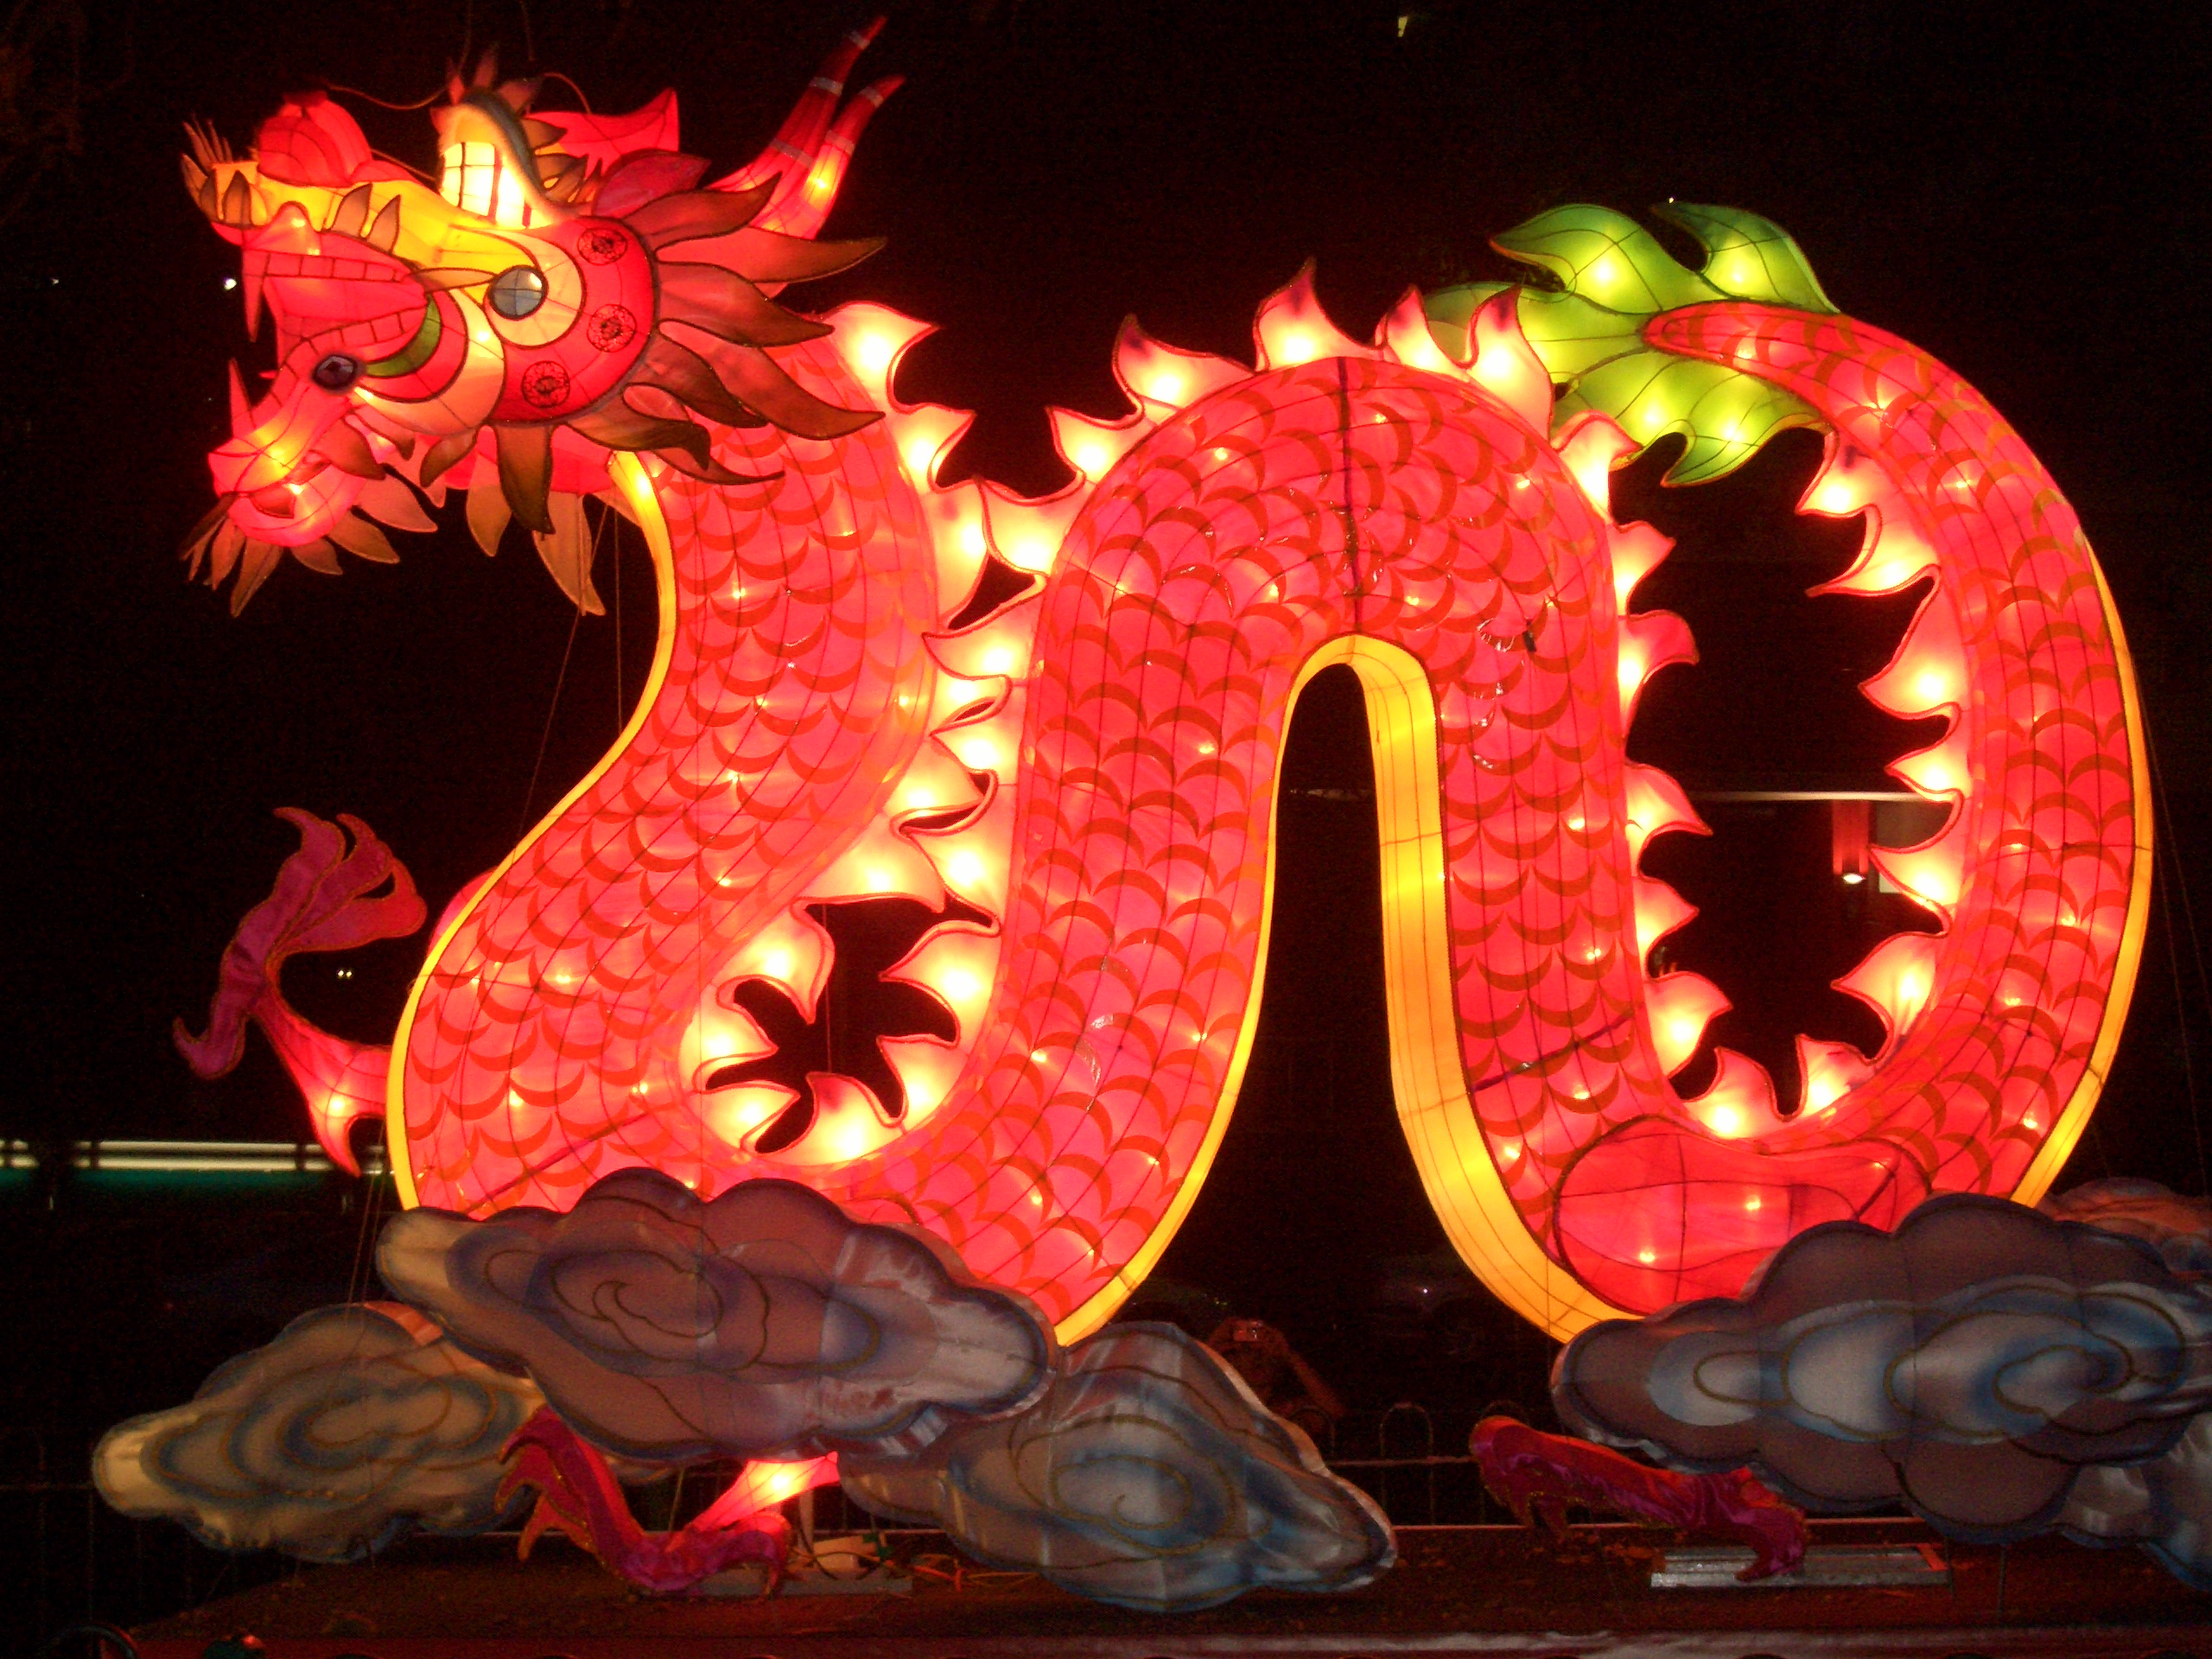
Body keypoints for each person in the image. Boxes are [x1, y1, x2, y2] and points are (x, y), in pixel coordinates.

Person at [1205, 1317, 1345, 1441]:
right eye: (1247, 1351)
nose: (1258, 1358)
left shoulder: (1292, 1412)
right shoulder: (1219, 1405)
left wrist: (1290, 1356)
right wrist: (1212, 1347)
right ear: (1232, 1360)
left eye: (1265, 1351)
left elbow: (1335, 1412)